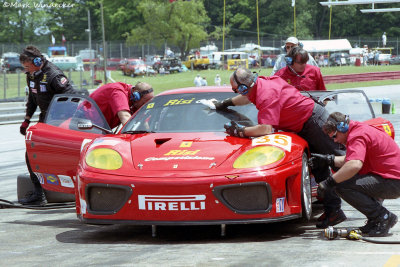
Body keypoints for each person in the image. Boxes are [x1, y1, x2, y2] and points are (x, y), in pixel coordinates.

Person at [213, 67, 345, 228]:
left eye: (236, 90)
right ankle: (334, 211)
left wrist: (240, 131)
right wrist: (225, 103)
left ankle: (372, 200)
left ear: (244, 87)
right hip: (305, 122)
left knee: (341, 162)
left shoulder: (266, 95)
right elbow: (247, 98)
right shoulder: (259, 84)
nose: (236, 93)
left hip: (313, 121)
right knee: (319, 167)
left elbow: (265, 129)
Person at [315, 112, 400, 236]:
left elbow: (354, 164)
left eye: (335, 136)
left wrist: (328, 182)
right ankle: (376, 219)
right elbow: (351, 159)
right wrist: (328, 159)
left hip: (393, 182)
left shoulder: (357, 135)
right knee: (346, 179)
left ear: (342, 128)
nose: (336, 141)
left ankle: (383, 217)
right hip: (391, 179)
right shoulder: (359, 129)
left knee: (342, 185)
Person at [19, 45, 77, 206]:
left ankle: (72, 191)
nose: (26, 70)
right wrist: (27, 119)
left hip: (60, 120)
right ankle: (39, 194)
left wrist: (62, 124)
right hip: (45, 118)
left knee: (56, 156)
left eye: (27, 67)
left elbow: (72, 99)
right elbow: (32, 98)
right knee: (31, 153)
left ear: (37, 61)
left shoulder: (54, 75)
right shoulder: (31, 75)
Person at [90, 82, 154, 129]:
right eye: (144, 102)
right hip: (86, 119)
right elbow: (125, 117)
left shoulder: (135, 102)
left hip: (99, 125)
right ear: (136, 96)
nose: (145, 106)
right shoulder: (118, 92)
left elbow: (143, 123)